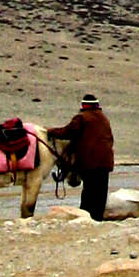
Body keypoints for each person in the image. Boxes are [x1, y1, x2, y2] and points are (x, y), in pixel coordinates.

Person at [48, 92, 114, 220]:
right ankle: (98, 217)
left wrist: (50, 131)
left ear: (84, 105)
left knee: (89, 191)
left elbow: (67, 132)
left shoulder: (82, 118)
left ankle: (86, 216)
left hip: (89, 162)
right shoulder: (104, 118)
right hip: (106, 161)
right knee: (101, 191)